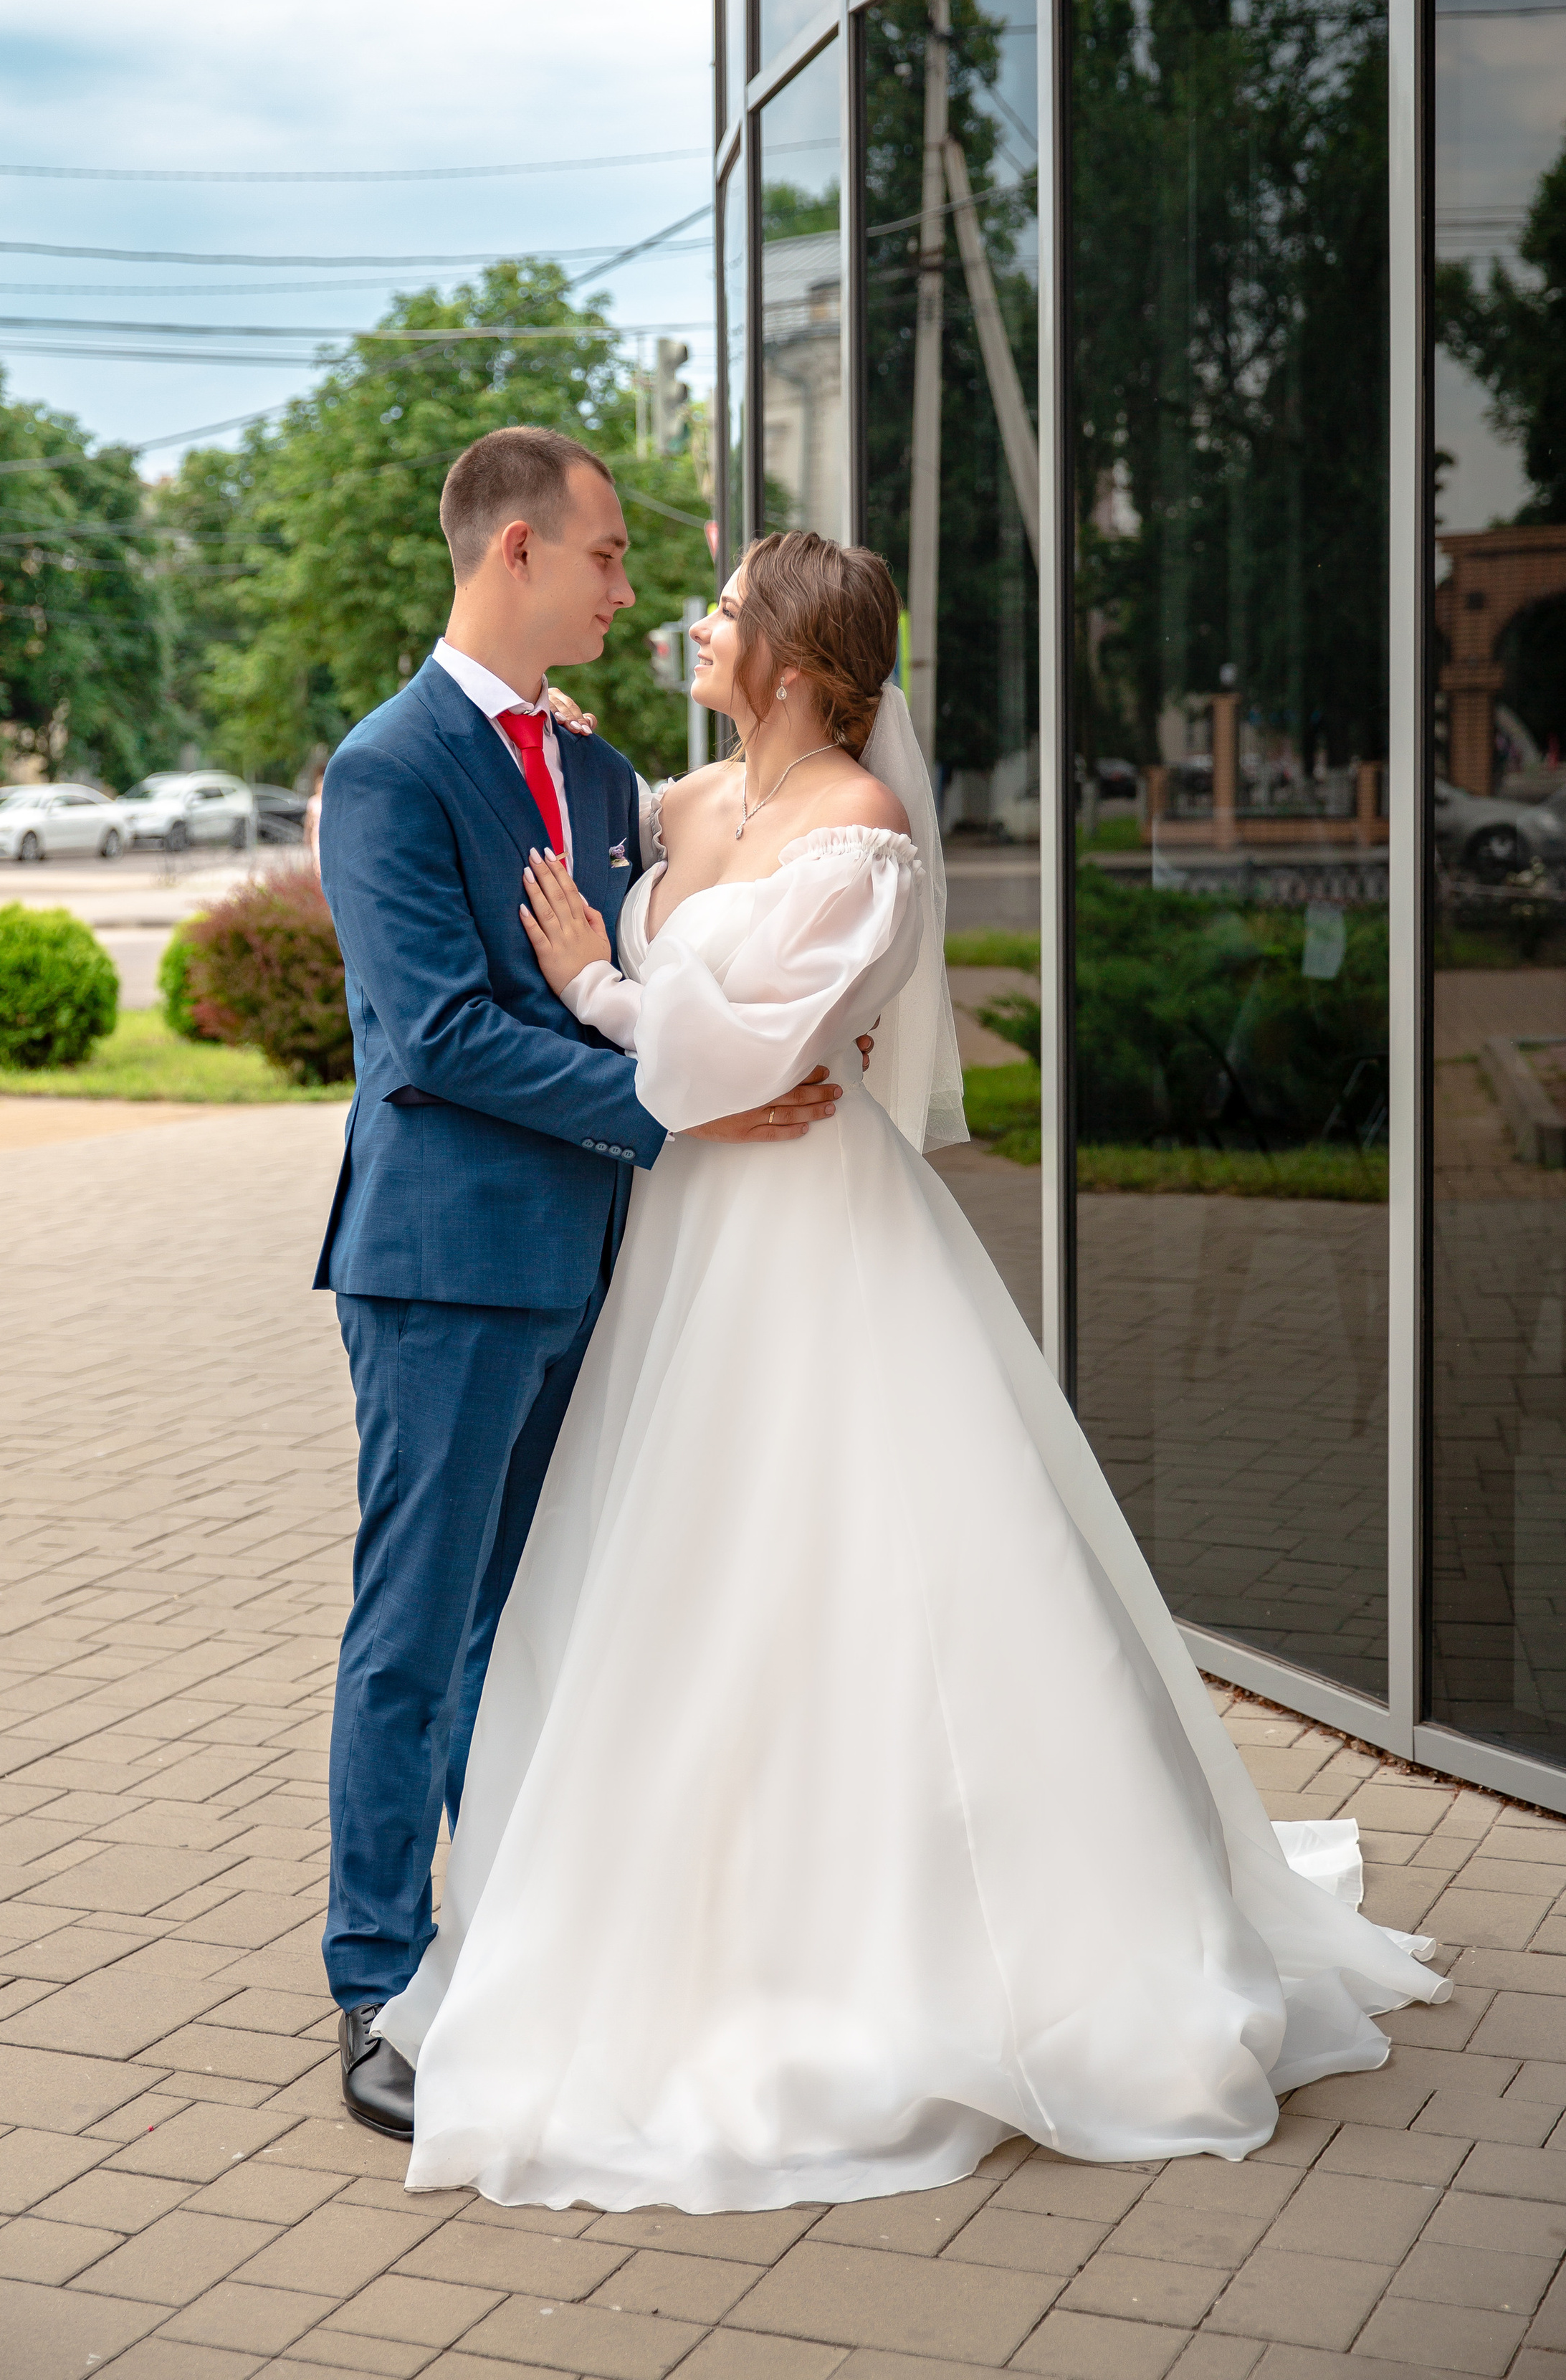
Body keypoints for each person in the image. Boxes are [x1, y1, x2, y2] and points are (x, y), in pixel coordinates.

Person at [371, 527, 1448, 2217]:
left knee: (855, 1562)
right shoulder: (687, 803)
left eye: (722, 612)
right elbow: (590, 843)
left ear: (793, 664)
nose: (693, 625)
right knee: (681, 1576)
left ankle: (959, 1946)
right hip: (682, 1245)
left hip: (806, 1228)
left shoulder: (858, 840)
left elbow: (730, 1052)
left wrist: (594, 972)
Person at [313, 433, 853, 2142]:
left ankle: (522, 1948)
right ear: (521, 553)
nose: (630, 591)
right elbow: (438, 1035)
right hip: (447, 1267)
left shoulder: (609, 771)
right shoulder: (389, 770)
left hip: (603, 1267)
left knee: (530, 1632)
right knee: (415, 1632)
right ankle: (379, 1980)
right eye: (611, 558)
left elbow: (659, 962)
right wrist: (673, 1103)